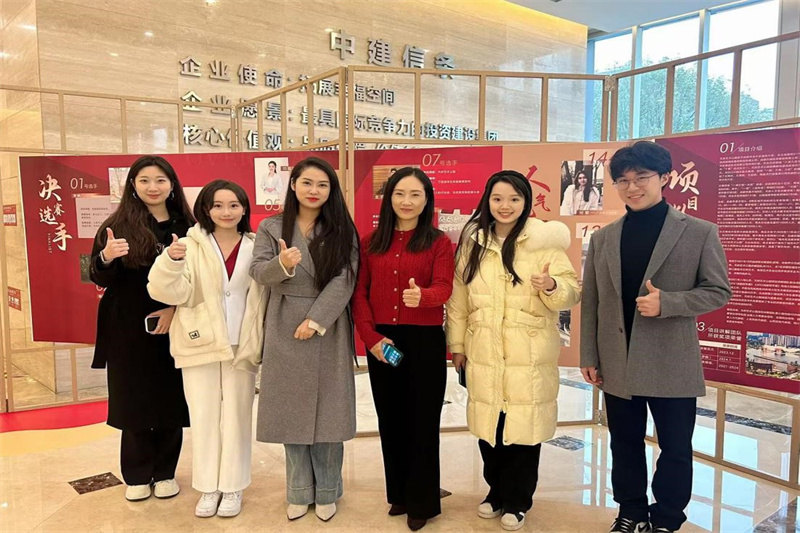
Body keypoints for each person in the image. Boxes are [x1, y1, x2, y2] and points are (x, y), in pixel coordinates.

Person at [580, 141, 731, 533]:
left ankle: (667, 518)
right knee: (624, 442)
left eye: (642, 178)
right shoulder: (604, 238)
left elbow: (718, 291)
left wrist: (669, 303)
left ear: (665, 178)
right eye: (623, 181)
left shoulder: (699, 232)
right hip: (618, 358)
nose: (632, 187)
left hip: (671, 359)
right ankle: (630, 511)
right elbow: (592, 301)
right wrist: (589, 354)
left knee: (675, 447)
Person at [446, 170, 580, 532]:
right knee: (489, 426)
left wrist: (551, 285)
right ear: (487, 201)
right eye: (498, 198)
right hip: (484, 349)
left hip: (528, 352)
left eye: (514, 199)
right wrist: (457, 345)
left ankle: (519, 500)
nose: (505, 206)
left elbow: (571, 292)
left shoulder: (544, 242)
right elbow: (458, 300)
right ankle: (496, 491)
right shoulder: (473, 241)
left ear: (526, 202)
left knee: (523, 428)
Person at [147, 180, 267, 518]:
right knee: (203, 415)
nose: (226, 212)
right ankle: (208, 487)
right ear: (205, 208)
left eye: (233, 205)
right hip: (199, 342)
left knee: (237, 416)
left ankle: (233, 486)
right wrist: (170, 262)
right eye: (217, 205)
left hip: (241, 343)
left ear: (244, 208)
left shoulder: (256, 246)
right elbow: (164, 292)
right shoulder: (187, 245)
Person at [250, 156, 359, 522]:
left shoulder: (342, 228)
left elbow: (346, 277)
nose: (314, 190)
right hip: (284, 323)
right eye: (307, 183)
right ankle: (298, 490)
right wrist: (282, 264)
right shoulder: (270, 226)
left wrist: (316, 319)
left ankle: (327, 490)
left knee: (329, 413)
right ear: (293, 184)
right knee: (290, 412)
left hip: (328, 324)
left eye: (322, 185)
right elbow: (258, 272)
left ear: (331, 191)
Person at [351, 167, 454, 532]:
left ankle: (422, 501)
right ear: (388, 198)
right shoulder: (369, 242)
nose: (406, 201)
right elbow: (359, 294)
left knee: (422, 422)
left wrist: (423, 296)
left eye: (415, 194)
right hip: (384, 343)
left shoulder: (438, 242)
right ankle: (399, 494)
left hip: (424, 342)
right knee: (390, 419)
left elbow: (444, 287)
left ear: (427, 200)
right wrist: (371, 338)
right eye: (399, 193)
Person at [90, 155, 195, 502]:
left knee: (170, 399)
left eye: (161, 180)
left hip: (175, 324)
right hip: (127, 327)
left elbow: (200, 277)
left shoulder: (189, 226)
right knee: (133, 399)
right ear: (133, 185)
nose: (153, 187)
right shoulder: (116, 224)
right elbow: (98, 276)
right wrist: (106, 257)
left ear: (172, 185)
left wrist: (174, 310)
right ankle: (136, 475)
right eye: (145, 180)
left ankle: (165, 472)